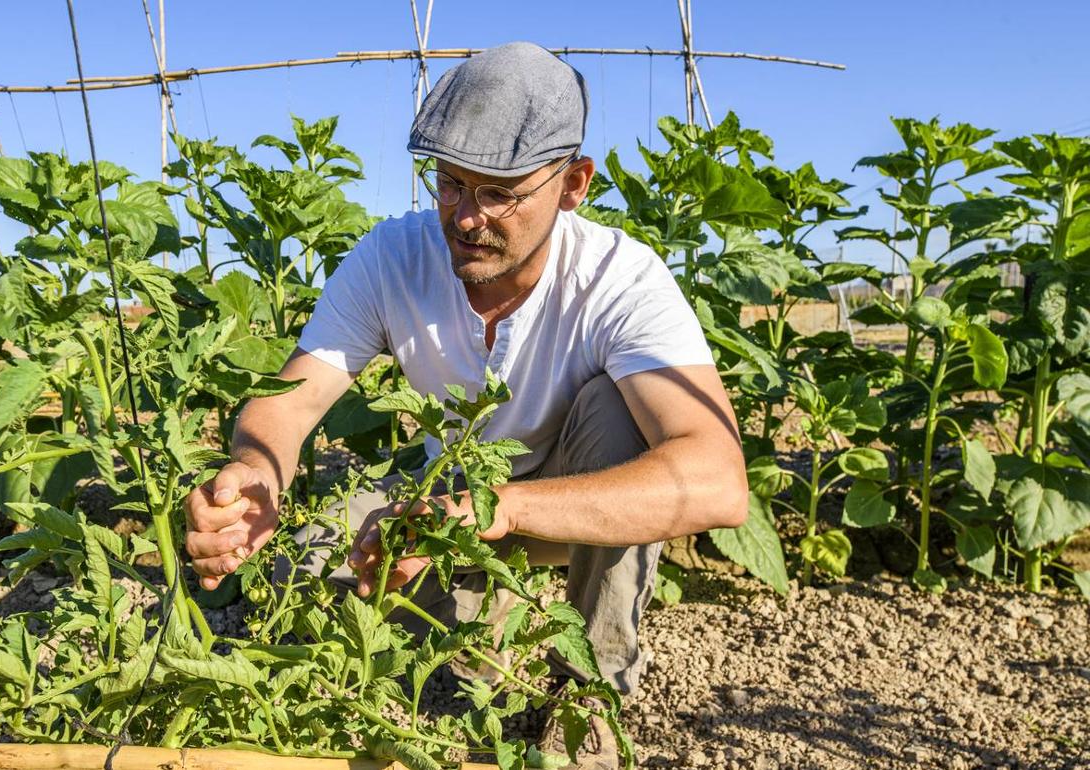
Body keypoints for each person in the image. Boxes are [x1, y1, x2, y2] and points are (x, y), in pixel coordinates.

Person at [183, 41, 748, 770]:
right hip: (444, 498)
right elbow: (288, 403)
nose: (466, 217)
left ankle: (587, 699)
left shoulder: (621, 279)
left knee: (622, 417)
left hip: (564, 503)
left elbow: (717, 480)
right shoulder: (392, 257)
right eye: (449, 184)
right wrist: (256, 474)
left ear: (574, 183)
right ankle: (478, 620)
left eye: (498, 193)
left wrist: (501, 508)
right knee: (304, 561)